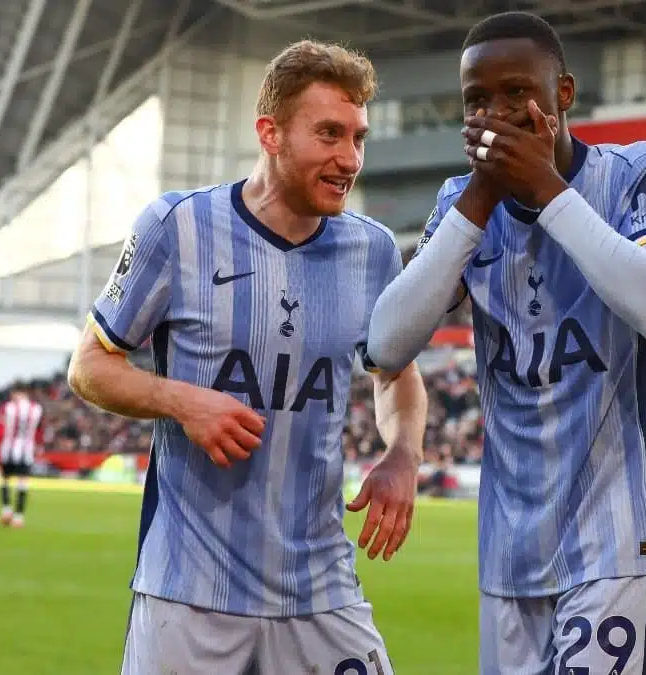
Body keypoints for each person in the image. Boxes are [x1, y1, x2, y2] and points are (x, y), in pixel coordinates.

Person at [66, 39, 427, 675]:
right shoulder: (178, 227)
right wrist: (182, 401)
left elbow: (395, 375)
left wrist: (404, 455)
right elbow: (90, 365)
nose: (349, 158)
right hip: (190, 594)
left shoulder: (371, 250)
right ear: (270, 133)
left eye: (358, 138)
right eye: (329, 134)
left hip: (321, 588)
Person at [366, 12, 646, 674]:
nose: (496, 113)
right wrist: (480, 199)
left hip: (620, 536)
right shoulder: (460, 203)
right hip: (510, 550)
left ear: (563, 93)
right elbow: (386, 345)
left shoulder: (637, 171)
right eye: (476, 100)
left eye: (517, 91)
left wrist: (545, 187)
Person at [0, 386, 44, 528]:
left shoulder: (7, 408)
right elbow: (39, 431)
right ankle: (18, 517)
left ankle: (6, 511)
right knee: (23, 483)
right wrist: (38, 446)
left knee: (5, 480)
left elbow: (0, 429)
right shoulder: (37, 409)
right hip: (26, 450)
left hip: (8, 449)